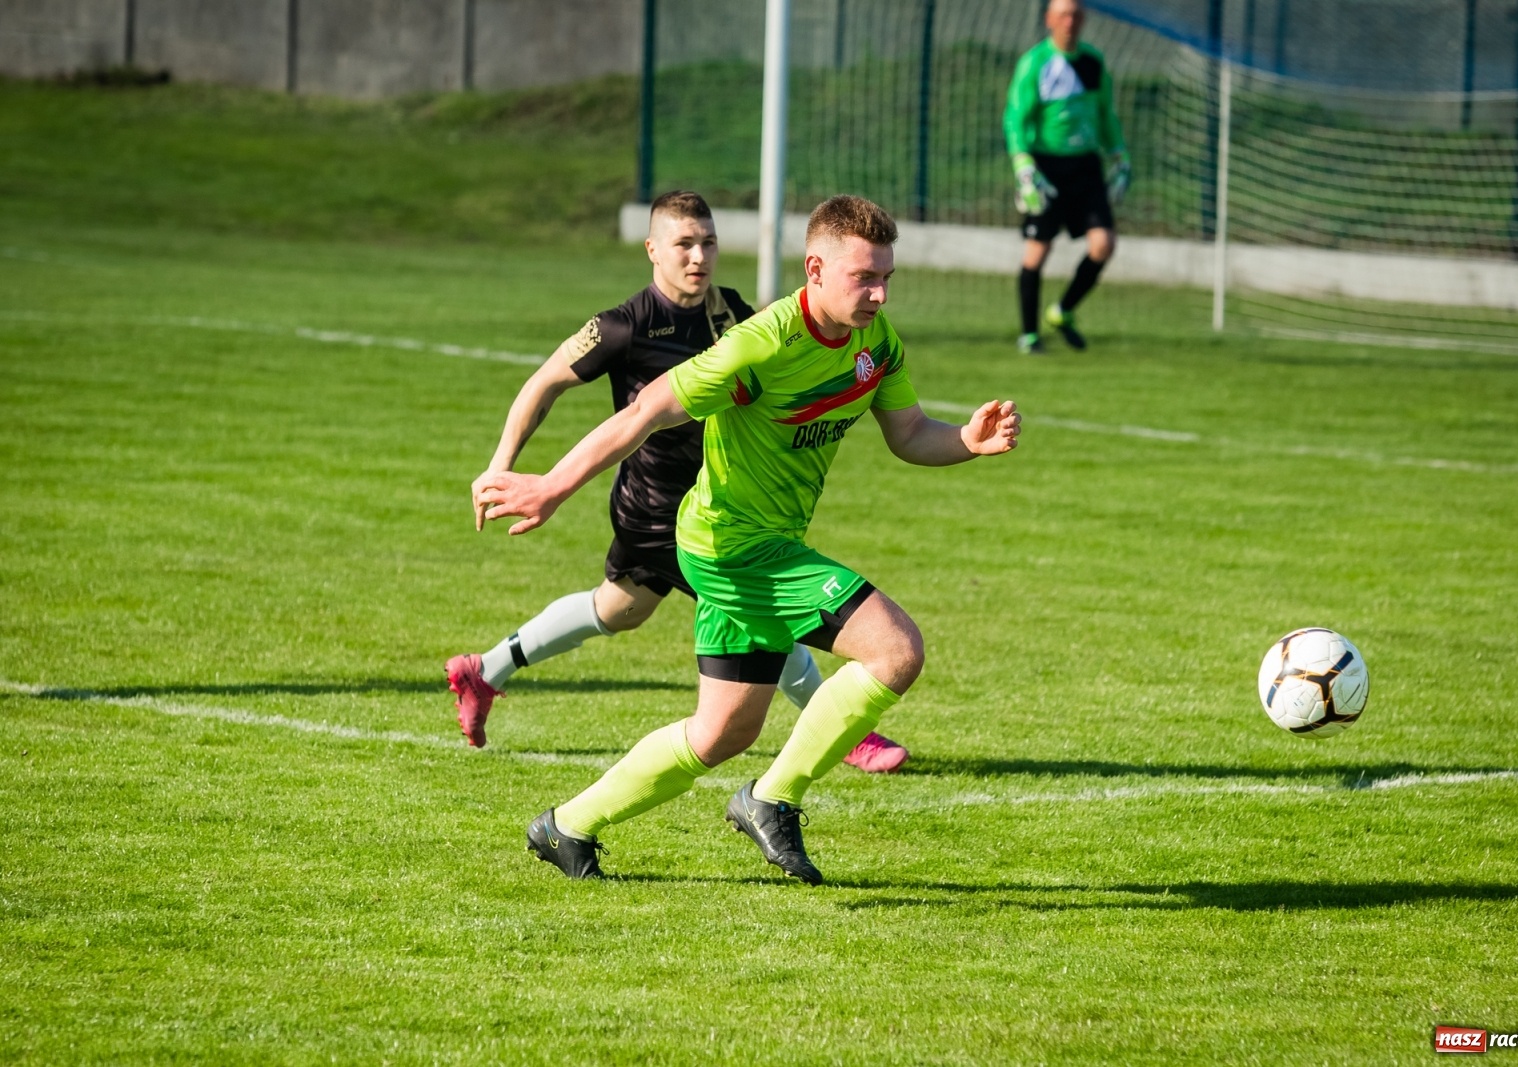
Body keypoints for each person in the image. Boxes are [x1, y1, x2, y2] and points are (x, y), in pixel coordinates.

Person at [477, 195, 1021, 883]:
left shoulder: (876, 344)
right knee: (895, 649)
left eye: (886, 277)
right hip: (731, 545)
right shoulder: (760, 344)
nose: (879, 294)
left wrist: (967, 440)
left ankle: (567, 825)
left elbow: (909, 433)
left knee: (722, 731)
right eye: (864, 278)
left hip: (754, 544)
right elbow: (645, 409)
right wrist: (552, 483)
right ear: (814, 268)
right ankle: (772, 798)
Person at [447, 190, 910, 774]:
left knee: (620, 609)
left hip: (721, 491)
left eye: (709, 242)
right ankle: (850, 738)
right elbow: (544, 383)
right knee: (770, 610)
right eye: (684, 244)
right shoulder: (623, 326)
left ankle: (484, 670)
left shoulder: (734, 314)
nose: (699, 257)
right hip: (662, 509)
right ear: (652, 251)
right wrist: (502, 464)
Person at [1006, 0, 1130, 354]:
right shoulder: (1035, 63)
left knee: (1103, 244)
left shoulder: (1093, 62)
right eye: (1063, 14)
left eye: (1076, 14)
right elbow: (1016, 117)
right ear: (1049, 19)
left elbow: (1106, 114)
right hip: (1047, 167)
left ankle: (1062, 310)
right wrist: (1022, 165)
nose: (1070, 21)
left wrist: (1119, 155)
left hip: (1087, 166)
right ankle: (1029, 334)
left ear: (1083, 19)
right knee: (1036, 253)